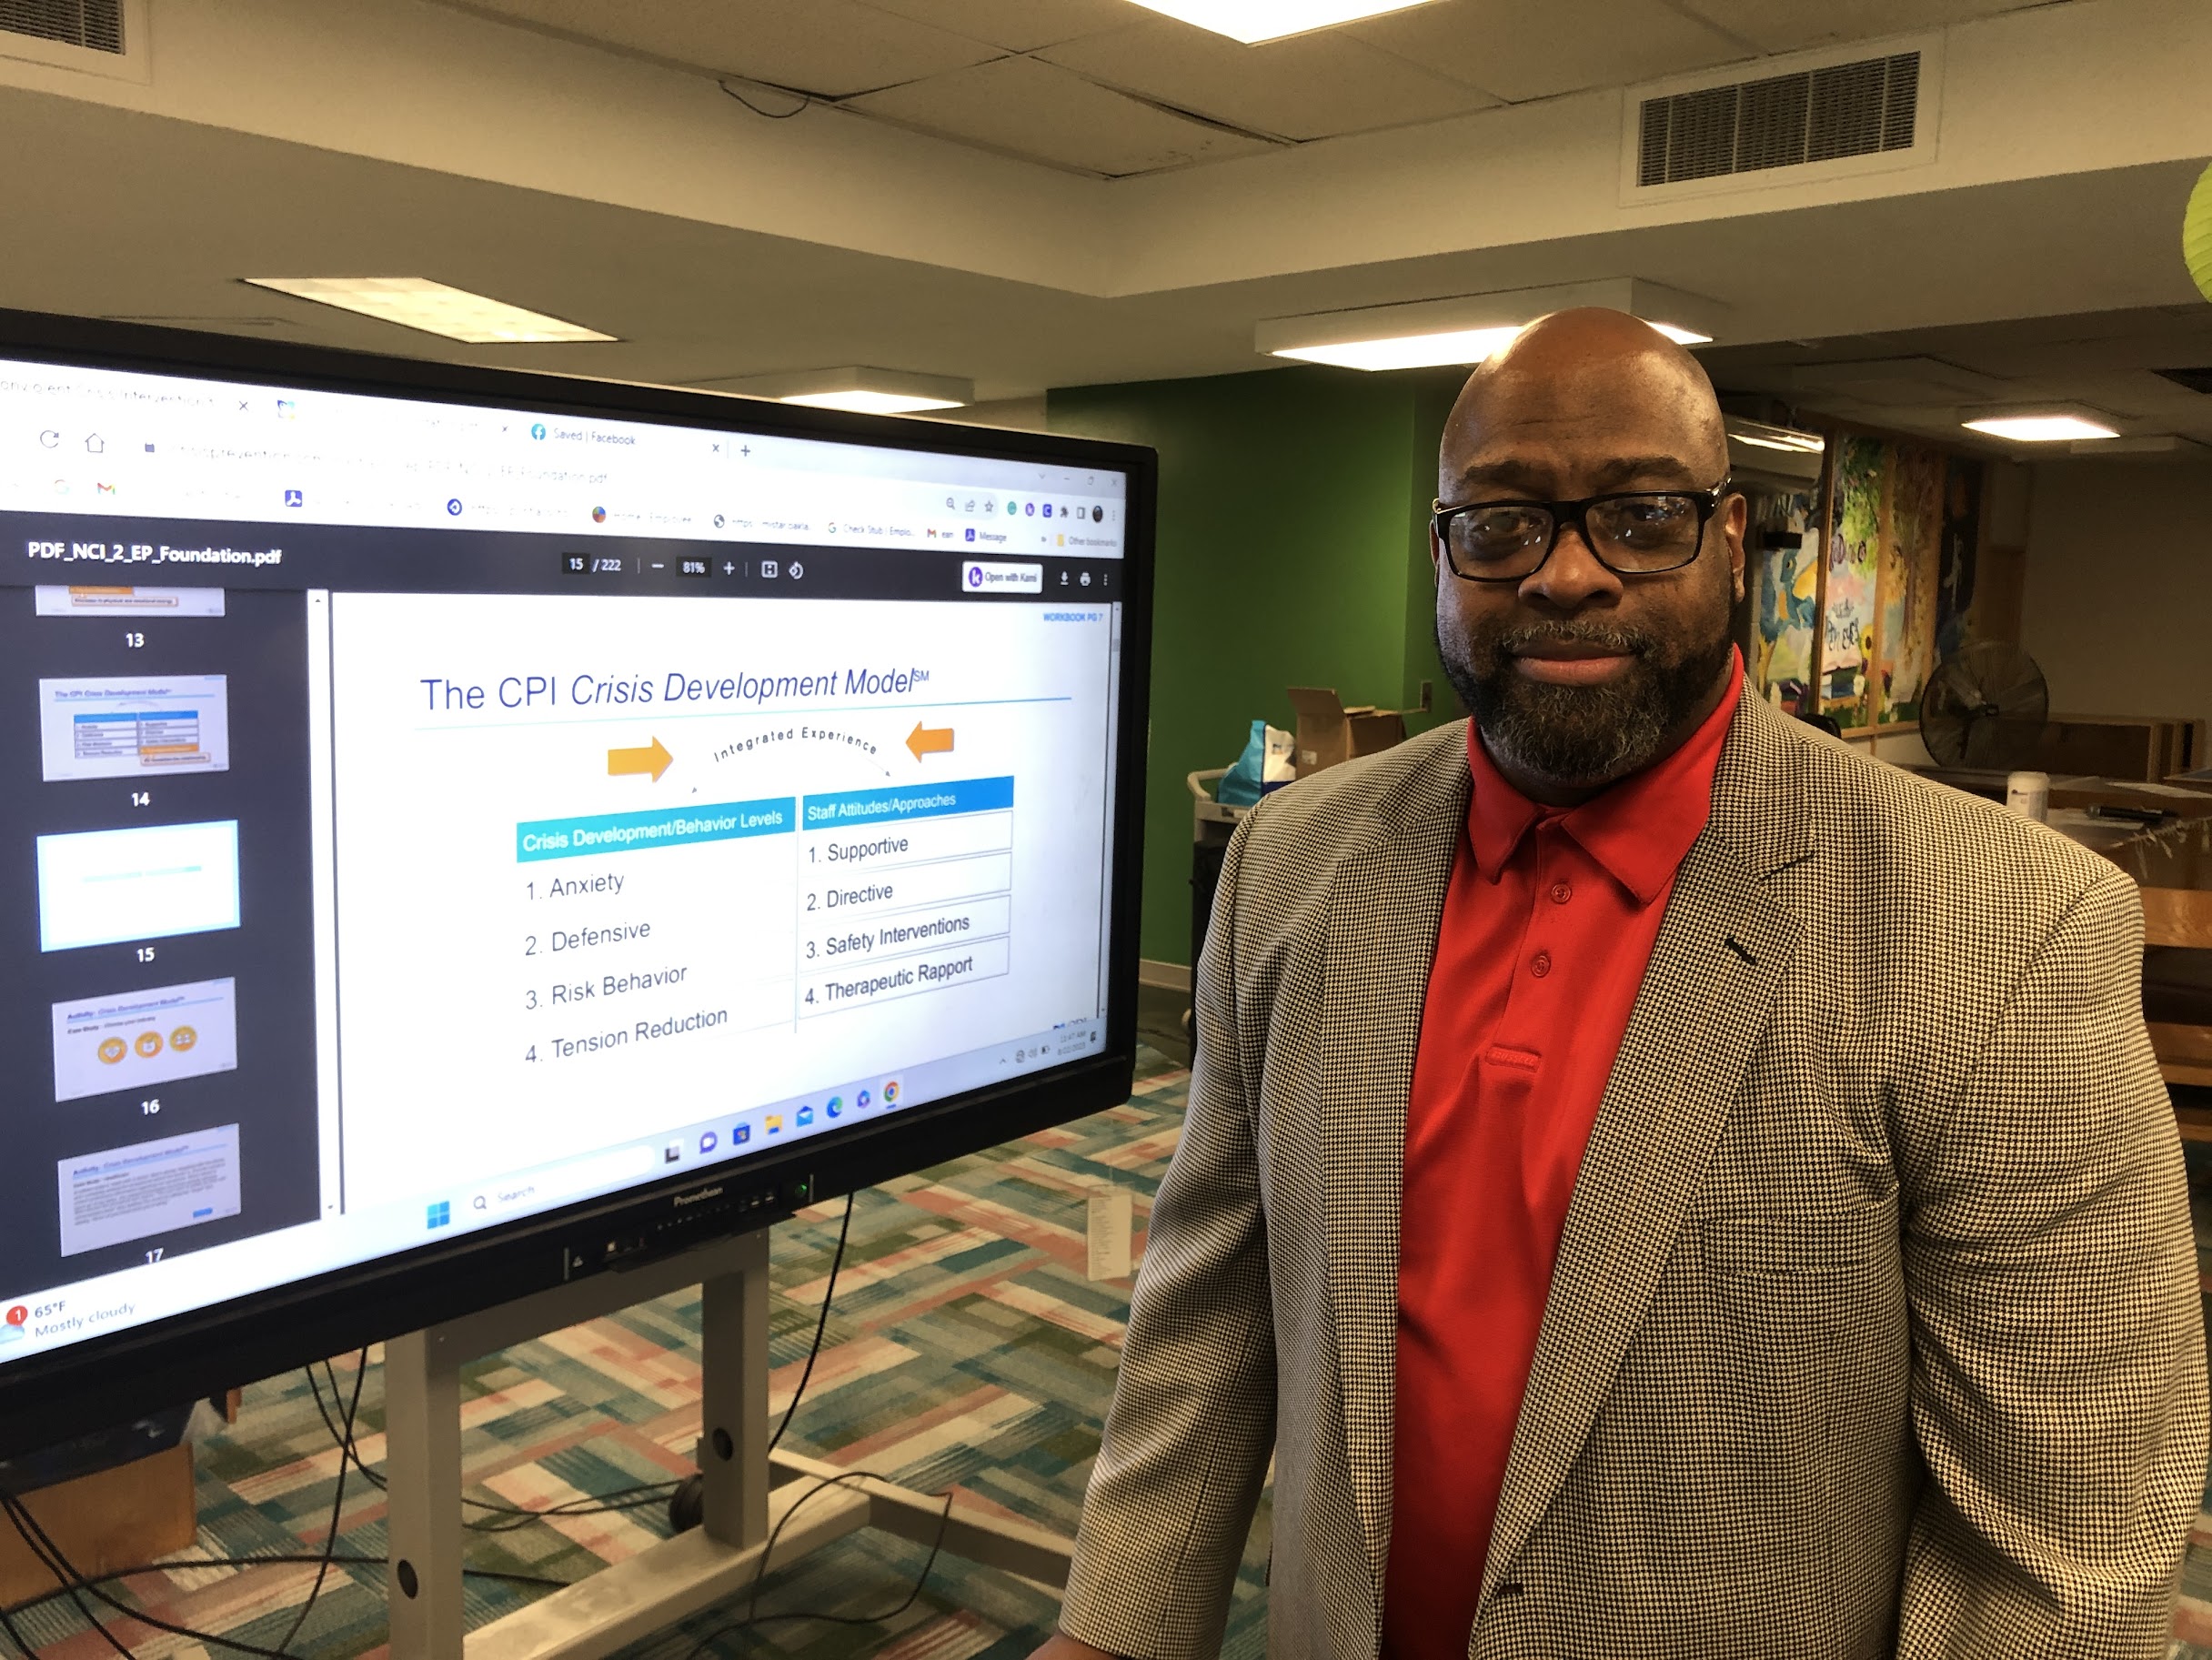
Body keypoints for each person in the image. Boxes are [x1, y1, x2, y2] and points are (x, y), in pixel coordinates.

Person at [1034, 309, 2208, 1660]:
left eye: (1640, 515)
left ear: (1730, 541)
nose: (1568, 573)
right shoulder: (1292, 863)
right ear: (1441, 554)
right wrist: (1114, 1629)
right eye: (1503, 522)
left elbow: (2069, 1533)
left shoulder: (2003, 925)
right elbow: (1210, 1315)